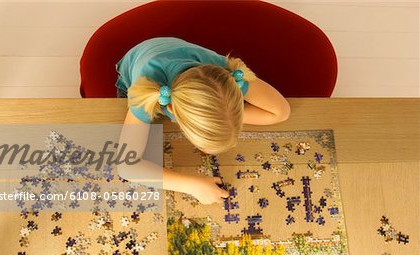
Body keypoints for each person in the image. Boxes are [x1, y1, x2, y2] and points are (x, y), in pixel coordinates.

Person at [116, 37, 291, 205]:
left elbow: (281, 112)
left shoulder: (226, 78)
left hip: (176, 53)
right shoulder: (144, 91)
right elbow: (126, 166)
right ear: (172, 112)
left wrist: (226, 116)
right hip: (138, 59)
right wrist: (192, 186)